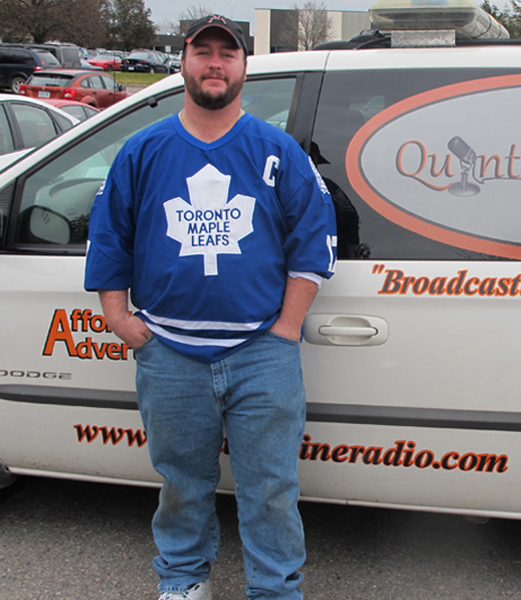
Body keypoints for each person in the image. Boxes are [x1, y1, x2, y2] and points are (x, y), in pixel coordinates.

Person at [84, 14, 336, 600]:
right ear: (183, 62)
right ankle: (182, 579)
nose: (215, 63)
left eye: (228, 53)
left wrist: (286, 328)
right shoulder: (143, 151)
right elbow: (108, 236)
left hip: (261, 351)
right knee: (181, 483)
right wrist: (118, 317)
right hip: (170, 352)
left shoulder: (276, 151)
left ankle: (275, 589)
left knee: (271, 487)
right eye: (203, 52)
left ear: (245, 67)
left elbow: (315, 240)